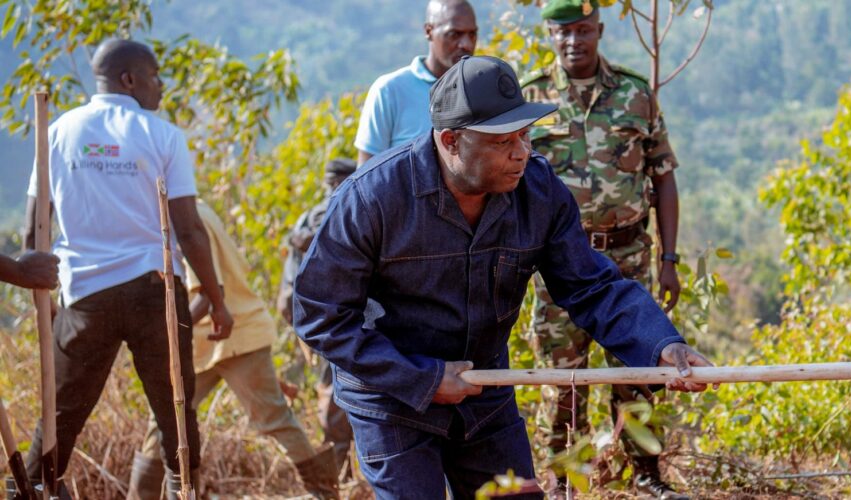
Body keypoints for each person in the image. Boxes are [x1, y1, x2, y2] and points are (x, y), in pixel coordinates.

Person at [294, 55, 713, 500]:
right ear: (451, 141)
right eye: (502, 141)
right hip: (391, 397)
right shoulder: (373, 198)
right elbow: (321, 316)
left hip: (483, 390)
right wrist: (421, 378)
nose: (522, 152)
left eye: (525, 135)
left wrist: (659, 345)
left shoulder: (537, 191)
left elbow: (591, 286)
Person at [20, 39, 233, 497]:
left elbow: (33, 229)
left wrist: (42, 295)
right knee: (175, 411)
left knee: (60, 413)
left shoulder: (57, 131)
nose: (160, 88)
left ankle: (31, 488)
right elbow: (190, 229)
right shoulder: (161, 134)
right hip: (152, 291)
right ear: (129, 79)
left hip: (84, 295)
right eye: (155, 77)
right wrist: (216, 301)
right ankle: (184, 490)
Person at [520, 1, 685, 497]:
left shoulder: (635, 94)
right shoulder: (530, 99)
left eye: (584, 30)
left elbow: (664, 177)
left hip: (628, 258)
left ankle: (648, 477)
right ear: (550, 32)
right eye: (564, 31)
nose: (574, 40)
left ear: (600, 30)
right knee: (564, 381)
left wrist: (669, 261)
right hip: (556, 268)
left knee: (637, 374)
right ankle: (567, 483)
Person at [129, 200, 337, 499]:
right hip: (203, 341)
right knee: (165, 422)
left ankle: (326, 494)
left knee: (273, 420)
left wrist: (160, 335)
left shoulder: (182, 219)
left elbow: (208, 295)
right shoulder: (194, 208)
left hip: (234, 333)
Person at [277, 157, 358, 478]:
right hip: (333, 317)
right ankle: (339, 471)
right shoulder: (340, 212)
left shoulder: (305, 219)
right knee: (337, 387)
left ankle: (341, 470)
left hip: (310, 317)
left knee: (333, 387)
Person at [353, 0, 477, 164]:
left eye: (472, 34)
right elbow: (366, 177)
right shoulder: (390, 91)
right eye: (454, 34)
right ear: (429, 31)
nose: (466, 44)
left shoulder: (481, 89)